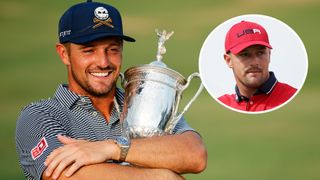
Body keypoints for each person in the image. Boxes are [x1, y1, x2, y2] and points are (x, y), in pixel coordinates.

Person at [15, 1, 207, 179]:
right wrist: (163, 176)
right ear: (64, 54)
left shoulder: (144, 104)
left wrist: (109, 149)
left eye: (112, 49)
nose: (103, 62)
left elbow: (195, 155)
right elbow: (66, 175)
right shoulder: (40, 115)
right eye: (89, 50)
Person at [218, 20, 297, 112]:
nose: (255, 62)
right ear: (229, 61)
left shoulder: (293, 98)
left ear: (269, 55)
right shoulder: (221, 105)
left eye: (260, 53)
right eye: (245, 54)